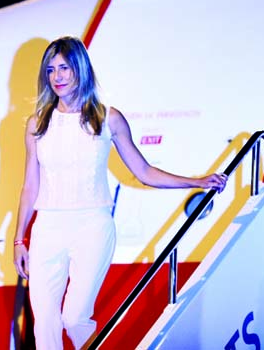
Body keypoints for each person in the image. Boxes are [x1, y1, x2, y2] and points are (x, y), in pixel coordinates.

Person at [12, 35, 227, 350]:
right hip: (47, 227)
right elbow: (30, 185)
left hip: (92, 226)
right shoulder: (37, 125)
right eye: (51, 70)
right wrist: (20, 238)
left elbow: (144, 172)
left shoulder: (107, 118)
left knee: (74, 318)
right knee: (44, 325)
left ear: (81, 70)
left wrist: (196, 180)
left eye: (65, 68)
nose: (57, 77)